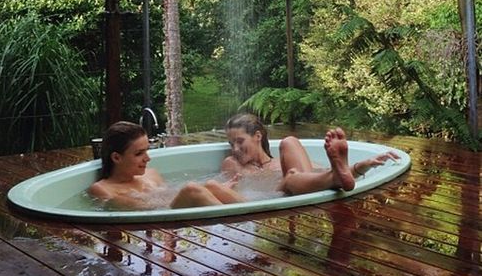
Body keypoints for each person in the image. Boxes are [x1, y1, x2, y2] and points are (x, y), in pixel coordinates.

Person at [222, 113, 399, 195]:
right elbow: (236, 196)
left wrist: (363, 165)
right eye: (231, 144)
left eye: (240, 141)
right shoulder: (232, 163)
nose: (235, 149)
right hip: (282, 195)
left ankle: (336, 178)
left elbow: (325, 173)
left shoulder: (280, 162)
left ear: (257, 136)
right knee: (290, 179)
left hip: (306, 190)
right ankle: (335, 178)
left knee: (290, 142)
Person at [88, 121, 244, 210]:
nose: (147, 158)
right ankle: (235, 227)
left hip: (173, 209)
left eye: (147, 151)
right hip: (163, 218)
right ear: (116, 157)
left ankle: (254, 218)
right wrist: (198, 193)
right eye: (139, 153)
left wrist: (210, 191)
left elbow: (171, 193)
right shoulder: (103, 189)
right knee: (191, 190)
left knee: (212, 184)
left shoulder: (151, 174)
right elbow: (148, 209)